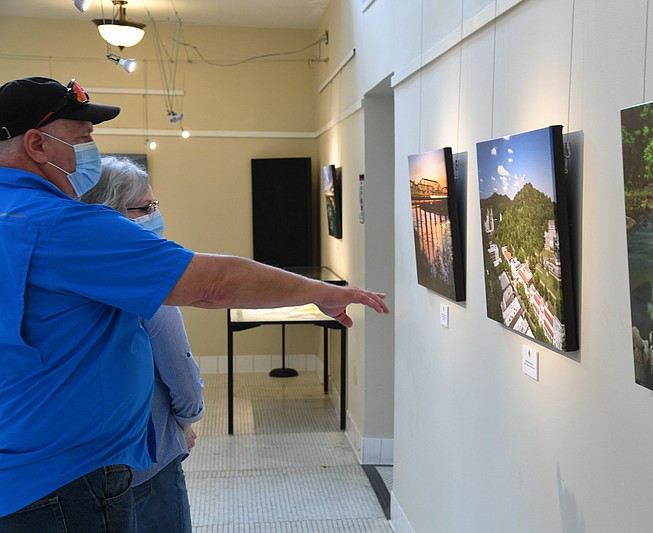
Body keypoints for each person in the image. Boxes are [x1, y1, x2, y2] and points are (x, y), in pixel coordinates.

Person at [0, 76, 389, 532]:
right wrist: (323, 292)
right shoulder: (60, 224)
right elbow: (215, 285)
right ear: (36, 144)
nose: (91, 149)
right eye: (82, 138)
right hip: (65, 477)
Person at [80, 156, 204, 532]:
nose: (155, 215)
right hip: (146, 461)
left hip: (82, 465)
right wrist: (185, 420)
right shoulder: (146, 280)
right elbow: (178, 369)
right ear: (113, 212)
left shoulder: (70, 269)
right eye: (146, 208)